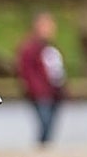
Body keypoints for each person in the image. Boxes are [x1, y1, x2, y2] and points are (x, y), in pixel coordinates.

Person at [15, 10, 66, 145]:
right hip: (40, 94)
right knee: (45, 126)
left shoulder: (49, 46)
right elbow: (25, 71)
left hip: (53, 93)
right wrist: (35, 89)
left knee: (49, 128)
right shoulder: (30, 48)